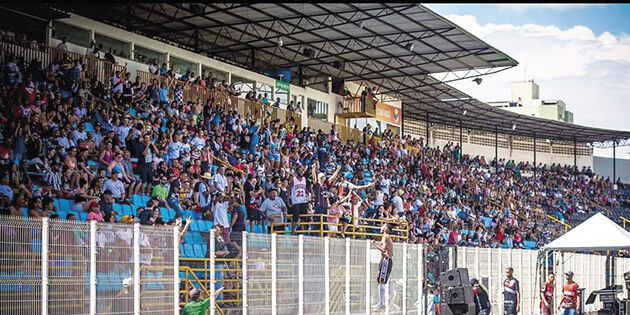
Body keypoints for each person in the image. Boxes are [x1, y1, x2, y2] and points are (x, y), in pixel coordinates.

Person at [371, 223, 394, 310]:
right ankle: (382, 301)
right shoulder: (386, 237)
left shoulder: (386, 236)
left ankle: (382, 302)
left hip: (386, 260)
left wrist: (374, 244)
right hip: (386, 260)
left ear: (386, 228)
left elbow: (383, 249)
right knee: (380, 280)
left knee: (382, 281)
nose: (381, 227)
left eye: (383, 226)